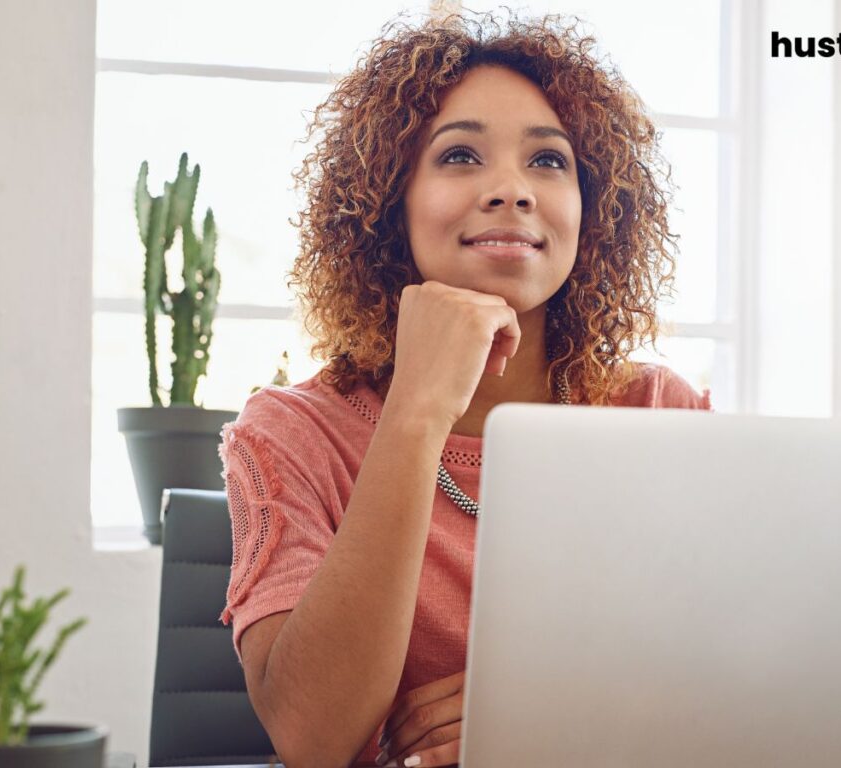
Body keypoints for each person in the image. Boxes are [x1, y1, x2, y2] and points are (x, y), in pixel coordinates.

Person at [217, 9, 713, 768]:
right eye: (459, 156)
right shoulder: (292, 432)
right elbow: (313, 739)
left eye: (549, 162)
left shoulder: (659, 413)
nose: (512, 190)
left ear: (595, 211)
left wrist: (545, 714)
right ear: (391, 204)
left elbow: (737, 681)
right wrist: (417, 411)